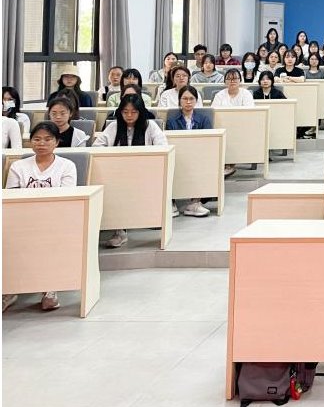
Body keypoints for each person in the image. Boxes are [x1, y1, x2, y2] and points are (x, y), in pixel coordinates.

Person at [2, 121, 79, 312]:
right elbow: (11, 197)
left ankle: (49, 289)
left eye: (47, 139)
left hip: (56, 219)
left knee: (50, 239)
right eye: (36, 139)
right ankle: (9, 289)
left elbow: (66, 198)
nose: (41, 143)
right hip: (23, 219)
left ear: (57, 142)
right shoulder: (18, 166)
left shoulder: (67, 166)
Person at [93, 94, 168, 248]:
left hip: (144, 173)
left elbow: (163, 148)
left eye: (134, 112)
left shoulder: (150, 127)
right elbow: (97, 148)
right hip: (117, 174)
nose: (129, 115)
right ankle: (119, 230)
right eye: (125, 112)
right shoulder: (113, 127)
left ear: (141, 112)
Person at [165, 85, 215, 215]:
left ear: (196, 101)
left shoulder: (204, 119)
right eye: (185, 99)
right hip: (179, 155)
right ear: (179, 101)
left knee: (206, 164)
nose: (188, 102)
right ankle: (171, 202)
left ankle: (195, 202)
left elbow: (208, 142)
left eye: (191, 99)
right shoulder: (171, 121)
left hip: (198, 156)